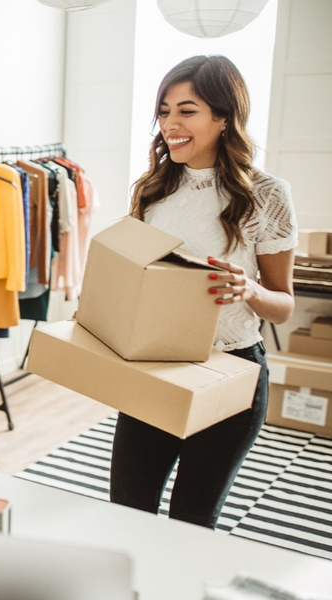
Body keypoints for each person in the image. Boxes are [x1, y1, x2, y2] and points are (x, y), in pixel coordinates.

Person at [109, 55, 297, 528]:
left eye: (186, 110)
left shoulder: (266, 194)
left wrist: (249, 289)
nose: (170, 123)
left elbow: (283, 307)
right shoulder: (152, 188)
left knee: (192, 521)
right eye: (165, 110)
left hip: (232, 372)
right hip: (156, 368)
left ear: (224, 116)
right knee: (128, 512)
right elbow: (136, 277)